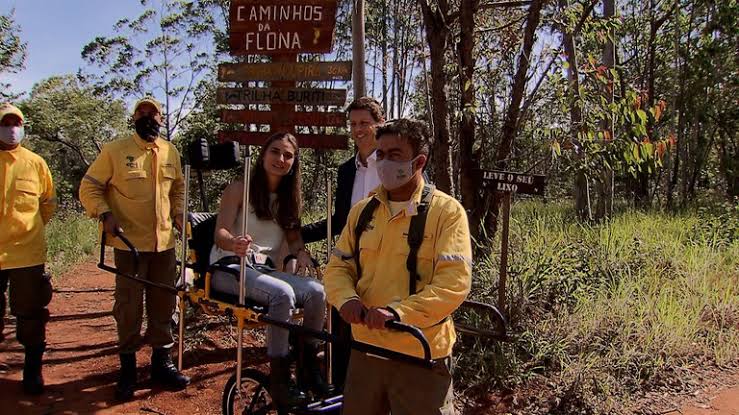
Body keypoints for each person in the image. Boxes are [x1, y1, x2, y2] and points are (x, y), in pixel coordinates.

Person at [324, 119, 472, 415]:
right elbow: (338, 267)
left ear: (419, 161)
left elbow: (453, 284)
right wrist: (346, 299)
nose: (384, 162)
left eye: (394, 155)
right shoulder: (363, 211)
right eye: (380, 154)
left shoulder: (447, 212)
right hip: (367, 350)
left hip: (420, 354)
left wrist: (397, 314)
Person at [79, 97, 190, 401]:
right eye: (142, 112)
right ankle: (127, 369)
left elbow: (178, 188)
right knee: (128, 308)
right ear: (134, 118)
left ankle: (161, 364)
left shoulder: (170, 151)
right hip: (129, 246)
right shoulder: (115, 151)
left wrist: (179, 214)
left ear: (162, 119)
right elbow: (89, 187)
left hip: (164, 244)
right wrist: (105, 214)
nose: (148, 116)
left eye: (153, 112)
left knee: (163, 305)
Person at [211, 132, 328, 409]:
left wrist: (300, 253)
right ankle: (279, 378)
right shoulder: (239, 188)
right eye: (275, 152)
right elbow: (220, 233)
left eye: (288, 155)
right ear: (264, 155)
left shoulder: (288, 199)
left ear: (294, 163)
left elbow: (294, 238)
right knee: (283, 294)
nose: (281, 159)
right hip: (229, 267)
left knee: (318, 292)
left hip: (263, 270)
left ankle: (308, 366)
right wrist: (234, 243)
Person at [300, 96, 385, 388]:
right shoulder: (346, 170)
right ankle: (340, 391)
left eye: (364, 123)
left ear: (379, 124)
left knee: (376, 330)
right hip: (350, 258)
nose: (358, 129)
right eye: (353, 124)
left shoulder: (393, 164)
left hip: (386, 261)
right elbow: (340, 220)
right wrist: (298, 233)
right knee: (341, 327)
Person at [0, 103, 57, 395]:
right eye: (6, 122)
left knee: (31, 314)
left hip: (26, 253)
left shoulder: (35, 163)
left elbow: (48, 203)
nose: (11, 127)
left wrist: (31, 227)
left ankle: (32, 372)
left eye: (16, 122)